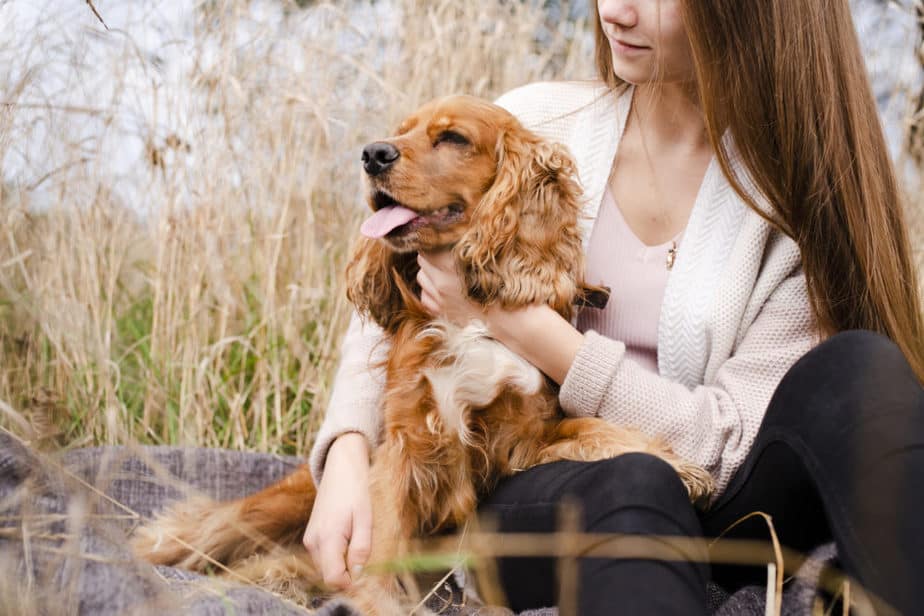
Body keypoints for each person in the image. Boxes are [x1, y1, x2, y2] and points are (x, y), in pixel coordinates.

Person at [303, 1, 924, 614]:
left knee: (863, 367)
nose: (616, 12)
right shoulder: (537, 121)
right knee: (635, 480)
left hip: (730, 503)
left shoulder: (799, 197)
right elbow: (395, 292)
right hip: (554, 488)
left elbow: (726, 444)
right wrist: (348, 451)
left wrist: (513, 323)